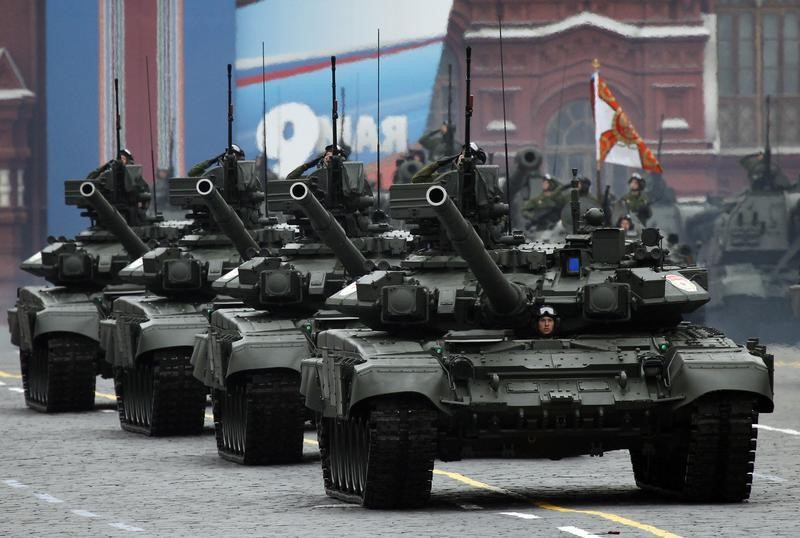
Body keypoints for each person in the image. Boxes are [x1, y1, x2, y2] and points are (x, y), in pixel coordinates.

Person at [410, 142, 487, 184]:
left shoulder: (481, 180)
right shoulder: (447, 178)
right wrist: (438, 163)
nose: (463, 158)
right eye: (462, 155)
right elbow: (417, 179)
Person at [285, 144, 350, 180]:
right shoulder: (315, 179)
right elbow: (290, 179)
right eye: (327, 155)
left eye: (332, 157)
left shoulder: (347, 178)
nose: (329, 159)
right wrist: (307, 166)